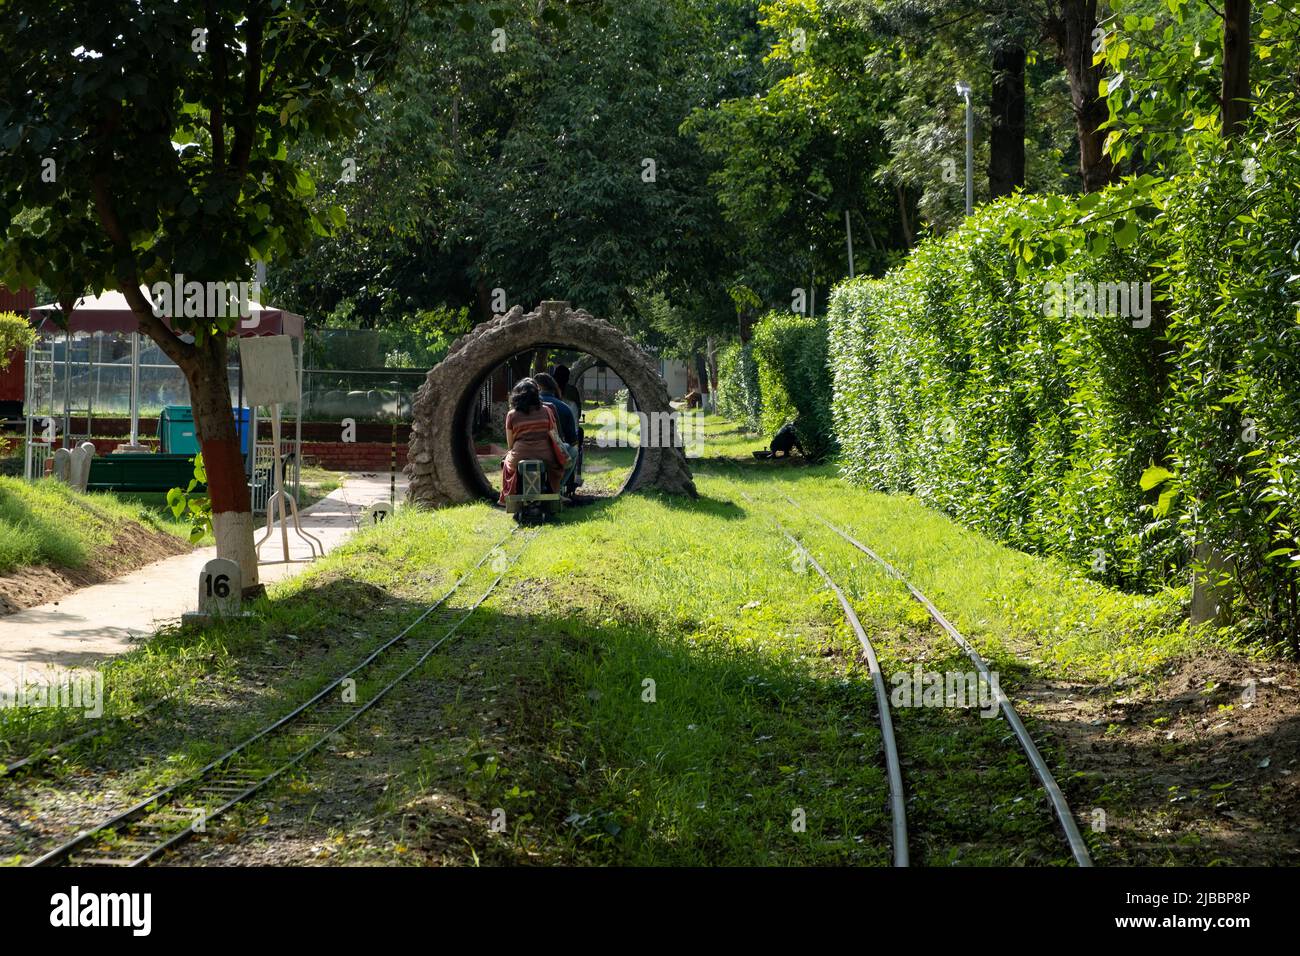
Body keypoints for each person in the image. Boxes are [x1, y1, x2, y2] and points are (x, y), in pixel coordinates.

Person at [500, 378, 564, 503]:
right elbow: (555, 435)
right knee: (559, 466)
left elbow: (510, 444)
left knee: (506, 465)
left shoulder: (512, 415)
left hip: (520, 453)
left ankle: (504, 499)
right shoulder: (547, 410)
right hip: (545, 455)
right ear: (536, 395)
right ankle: (556, 493)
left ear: (516, 396)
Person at [534, 372, 580, 494]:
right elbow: (572, 440)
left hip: (523, 451)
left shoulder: (522, 407)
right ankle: (557, 488)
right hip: (552, 453)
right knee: (573, 451)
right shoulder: (563, 407)